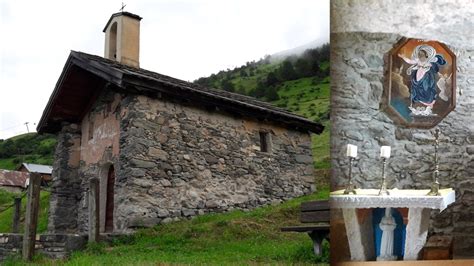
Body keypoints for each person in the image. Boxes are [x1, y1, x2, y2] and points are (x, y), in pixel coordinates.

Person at [398, 45, 446, 116]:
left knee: (426, 89)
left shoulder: (430, 60)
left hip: (427, 76)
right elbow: (410, 61)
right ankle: (418, 104)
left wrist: (438, 62)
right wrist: (403, 57)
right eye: (420, 56)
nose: (421, 58)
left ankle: (427, 104)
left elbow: (438, 61)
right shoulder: (418, 60)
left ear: (426, 56)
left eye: (422, 56)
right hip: (418, 76)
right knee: (417, 88)